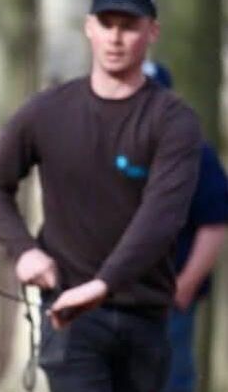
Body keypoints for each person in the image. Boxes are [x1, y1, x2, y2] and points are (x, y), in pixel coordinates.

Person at [0, 0, 202, 392]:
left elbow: (162, 217)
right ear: (89, 27)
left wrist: (103, 284)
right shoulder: (46, 112)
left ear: (152, 32)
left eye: (128, 25)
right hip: (69, 315)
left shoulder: (173, 121)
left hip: (145, 319)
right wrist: (23, 250)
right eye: (106, 23)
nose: (115, 37)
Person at [142, 62, 228, 392]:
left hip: (167, 299)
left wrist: (184, 286)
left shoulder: (195, 155)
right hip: (110, 300)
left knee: (170, 381)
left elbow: (214, 222)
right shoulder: (105, 150)